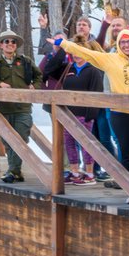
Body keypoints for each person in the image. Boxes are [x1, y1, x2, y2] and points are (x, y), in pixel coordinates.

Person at [58, 26, 129, 200]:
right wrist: (65, 44)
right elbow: (88, 54)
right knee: (128, 154)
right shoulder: (112, 59)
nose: (126, 45)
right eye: (123, 42)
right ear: (118, 44)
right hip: (123, 113)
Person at [0, 29, 41, 184]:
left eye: (13, 41)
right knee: (8, 142)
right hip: (4, 109)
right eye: (6, 41)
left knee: (21, 139)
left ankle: (12, 171)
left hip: (23, 108)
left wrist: (35, 86)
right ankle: (16, 172)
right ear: (1, 45)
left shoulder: (25, 61)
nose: (10, 44)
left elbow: (39, 75)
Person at [40, 39, 104, 183]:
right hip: (68, 114)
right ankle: (74, 173)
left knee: (85, 144)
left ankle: (89, 174)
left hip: (85, 114)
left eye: (79, 51)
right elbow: (49, 69)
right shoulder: (68, 68)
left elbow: (97, 93)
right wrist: (63, 48)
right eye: (74, 52)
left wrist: (90, 115)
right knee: (69, 142)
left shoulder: (93, 70)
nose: (77, 55)